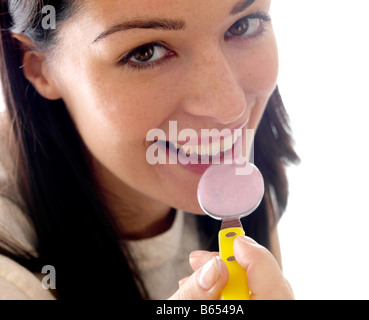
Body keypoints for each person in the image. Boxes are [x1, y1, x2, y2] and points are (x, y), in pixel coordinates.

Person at [0, 0, 299, 300]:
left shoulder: (244, 182)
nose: (230, 109)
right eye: (146, 52)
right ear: (40, 68)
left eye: (242, 25)